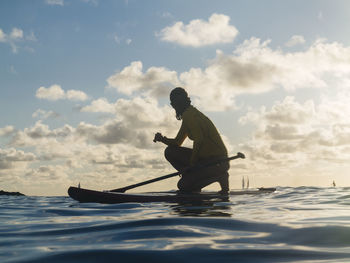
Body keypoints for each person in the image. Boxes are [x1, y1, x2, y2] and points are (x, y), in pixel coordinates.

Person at [153, 87, 230, 193]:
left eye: (173, 104)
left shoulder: (190, 116)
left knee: (183, 186)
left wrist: (191, 164)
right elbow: (177, 142)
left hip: (218, 163)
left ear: (178, 103)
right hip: (206, 160)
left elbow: (199, 140)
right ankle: (191, 178)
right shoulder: (188, 115)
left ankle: (220, 177)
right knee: (170, 151)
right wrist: (162, 139)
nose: (173, 106)